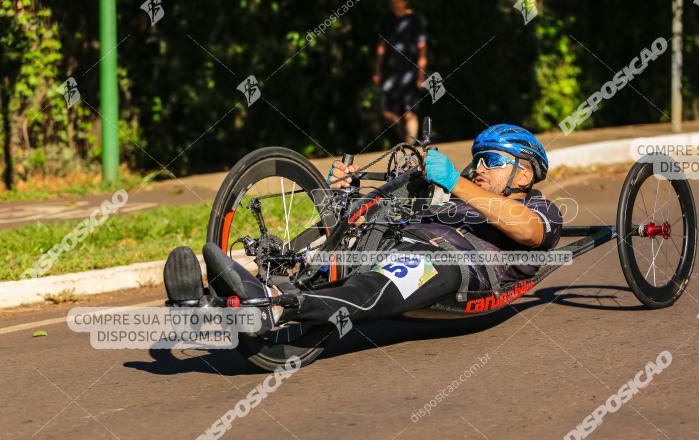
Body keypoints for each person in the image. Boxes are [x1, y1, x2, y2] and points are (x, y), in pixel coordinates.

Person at [163, 125, 562, 329]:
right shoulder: (455, 199)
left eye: (490, 161)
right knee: (341, 233)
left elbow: (528, 232)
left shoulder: (543, 209)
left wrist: (455, 180)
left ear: (523, 173)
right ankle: (204, 299)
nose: (477, 169)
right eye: (476, 160)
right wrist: (348, 195)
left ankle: (273, 304)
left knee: (371, 288)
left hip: (454, 265)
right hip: (399, 243)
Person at [373, 0, 427, 140]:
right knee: (386, 113)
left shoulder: (415, 20)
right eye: (392, 2)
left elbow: (422, 49)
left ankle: (410, 146)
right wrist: (377, 70)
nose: (395, 5)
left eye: (397, 1)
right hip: (391, 73)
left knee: (410, 112)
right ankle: (406, 138)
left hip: (410, 72)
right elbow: (381, 47)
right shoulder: (387, 21)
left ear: (405, 2)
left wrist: (421, 75)